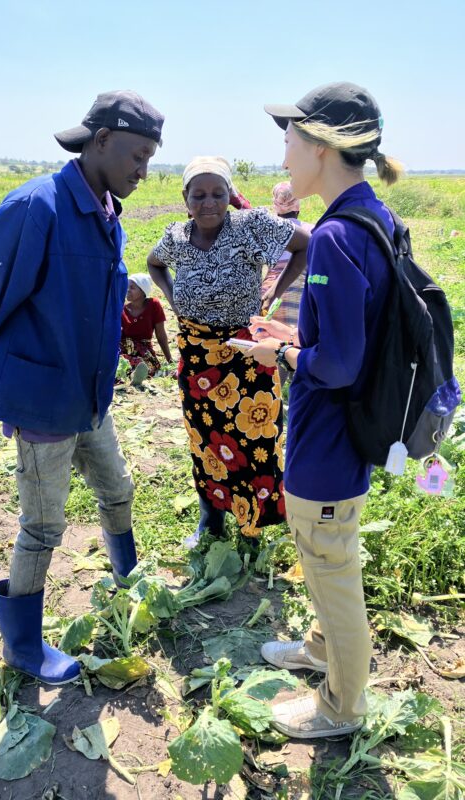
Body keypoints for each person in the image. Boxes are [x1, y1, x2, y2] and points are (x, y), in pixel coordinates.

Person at [0, 90, 165, 685]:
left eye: (150, 159)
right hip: (45, 397)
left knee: (118, 488)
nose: (142, 172)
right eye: (137, 155)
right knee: (43, 526)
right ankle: (22, 647)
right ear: (101, 141)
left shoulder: (104, 212)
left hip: (92, 395)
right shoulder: (37, 207)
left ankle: (127, 579)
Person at [250, 82, 403, 739]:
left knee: (331, 569)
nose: (283, 157)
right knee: (327, 556)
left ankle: (342, 707)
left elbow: (337, 365)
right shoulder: (374, 218)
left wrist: (281, 358)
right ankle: (319, 649)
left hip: (329, 442)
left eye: (289, 141)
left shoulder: (336, 237)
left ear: (320, 147)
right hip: (357, 431)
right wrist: (296, 341)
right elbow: (352, 340)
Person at [147, 156, 309, 548]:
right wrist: (172, 298)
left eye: (218, 193)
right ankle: (212, 521)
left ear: (229, 195)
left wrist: (275, 288)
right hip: (197, 357)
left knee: (256, 437)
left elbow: (305, 245)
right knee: (204, 439)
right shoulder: (176, 237)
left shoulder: (251, 226)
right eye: (198, 195)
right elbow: (154, 264)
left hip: (246, 355)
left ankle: (253, 527)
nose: (209, 203)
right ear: (185, 198)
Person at [261, 182, 314, 330]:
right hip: (298, 294)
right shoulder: (311, 229)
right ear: (298, 205)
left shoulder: (267, 232)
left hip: (267, 293)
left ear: (275, 204)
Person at [120, 272, 173, 383]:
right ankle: (131, 375)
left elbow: (161, 335)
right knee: (121, 364)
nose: (127, 290)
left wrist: (169, 360)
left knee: (148, 365)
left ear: (143, 291)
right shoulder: (121, 309)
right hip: (125, 348)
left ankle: (136, 374)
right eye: (127, 286)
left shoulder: (153, 305)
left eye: (132, 288)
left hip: (144, 349)